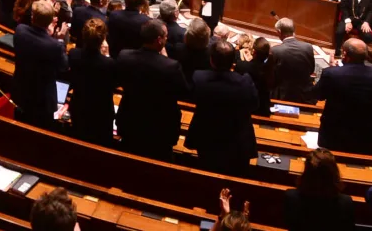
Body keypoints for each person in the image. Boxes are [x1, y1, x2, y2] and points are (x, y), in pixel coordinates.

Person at [116, 19, 188, 160]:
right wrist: (166, 59)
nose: (167, 39)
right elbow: (183, 91)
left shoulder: (124, 56)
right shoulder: (171, 66)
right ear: (159, 40)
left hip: (130, 121)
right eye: (166, 36)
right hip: (160, 129)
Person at [186, 40, 258, 175]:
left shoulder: (199, 78)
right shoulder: (245, 82)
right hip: (237, 140)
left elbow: (192, 97)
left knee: (207, 173)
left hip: (206, 138)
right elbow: (254, 105)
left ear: (211, 60)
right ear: (233, 63)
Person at [316, 37, 372, 155]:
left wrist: (332, 69)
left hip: (335, 134)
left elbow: (319, 95)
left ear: (344, 54)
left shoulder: (332, 73)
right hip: (368, 135)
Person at [13, 0, 68, 128]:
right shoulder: (55, 45)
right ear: (50, 21)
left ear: (33, 17)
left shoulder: (20, 31)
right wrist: (60, 38)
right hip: (43, 98)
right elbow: (64, 66)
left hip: (21, 89)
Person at [66, 18, 116, 146]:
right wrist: (107, 55)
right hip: (101, 113)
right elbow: (112, 84)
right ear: (103, 39)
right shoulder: (108, 63)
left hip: (79, 107)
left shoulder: (74, 54)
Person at [283, 149, 354, 231]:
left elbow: (288, 223)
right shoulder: (346, 203)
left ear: (306, 173)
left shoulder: (291, 197)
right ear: (334, 173)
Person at [270, 17, 315, 103]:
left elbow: (272, 76)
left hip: (282, 95)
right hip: (304, 95)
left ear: (279, 32)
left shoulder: (275, 50)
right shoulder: (308, 47)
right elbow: (311, 70)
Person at [236, 37, 273, 115]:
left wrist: (247, 62)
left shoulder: (241, 66)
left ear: (253, 52)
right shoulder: (270, 69)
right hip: (263, 109)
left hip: (244, 108)